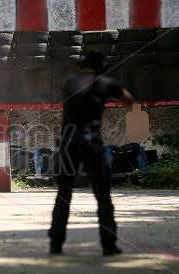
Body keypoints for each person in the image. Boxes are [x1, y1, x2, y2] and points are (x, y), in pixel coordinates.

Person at [49, 50, 133, 256]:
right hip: (90, 141)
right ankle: (108, 245)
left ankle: (56, 244)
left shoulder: (69, 82)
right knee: (102, 195)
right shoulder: (105, 83)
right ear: (101, 65)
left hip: (68, 141)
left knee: (63, 194)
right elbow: (128, 101)